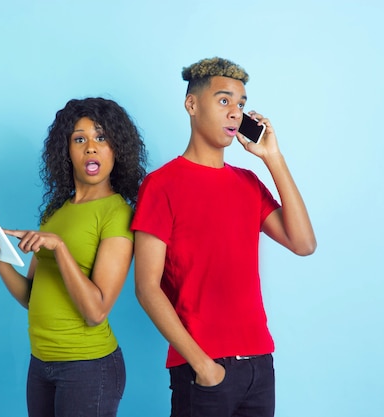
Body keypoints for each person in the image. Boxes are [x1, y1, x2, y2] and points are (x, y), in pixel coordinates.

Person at [131, 57, 317, 417]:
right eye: (224, 100)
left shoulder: (248, 184)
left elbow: (304, 244)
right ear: (192, 105)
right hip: (203, 369)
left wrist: (272, 158)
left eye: (241, 104)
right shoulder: (161, 185)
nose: (235, 112)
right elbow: (146, 288)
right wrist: (203, 366)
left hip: (260, 365)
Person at [0, 97, 147, 417]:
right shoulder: (56, 211)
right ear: (66, 150)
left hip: (88, 368)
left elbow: (96, 311)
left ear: (116, 149)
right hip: (41, 365)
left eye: (101, 138)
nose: (90, 147)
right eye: (80, 139)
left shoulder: (117, 213)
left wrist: (60, 248)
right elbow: (30, 296)